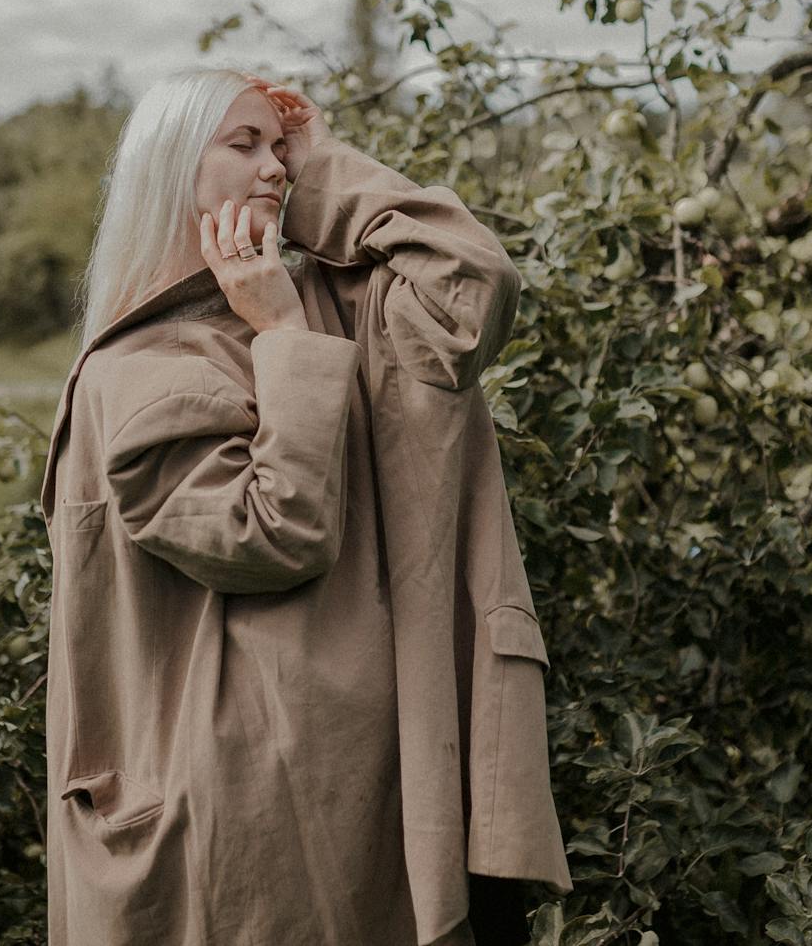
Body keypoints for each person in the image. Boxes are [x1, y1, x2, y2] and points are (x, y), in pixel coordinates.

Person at [39, 67, 571, 945]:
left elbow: (471, 290)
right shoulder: (134, 368)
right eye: (243, 145)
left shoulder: (334, 299)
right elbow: (270, 531)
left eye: (280, 146)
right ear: (174, 170)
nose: (274, 165)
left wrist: (323, 166)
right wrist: (284, 338)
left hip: (379, 781)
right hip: (250, 820)